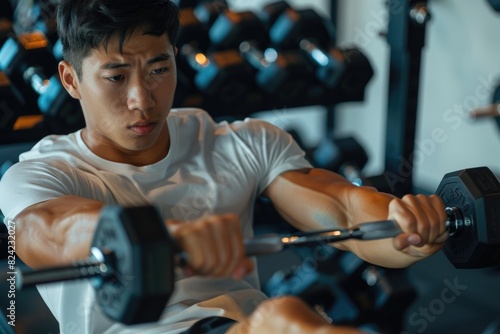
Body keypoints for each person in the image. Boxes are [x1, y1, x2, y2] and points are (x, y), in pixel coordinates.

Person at [0, 0, 448, 333]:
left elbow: (347, 211)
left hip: (242, 325)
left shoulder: (244, 142)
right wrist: (160, 236)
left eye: (158, 69)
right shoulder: (42, 174)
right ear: (70, 80)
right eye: (116, 77)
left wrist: (407, 230)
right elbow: (47, 231)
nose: (142, 99)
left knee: (286, 319)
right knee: (284, 318)